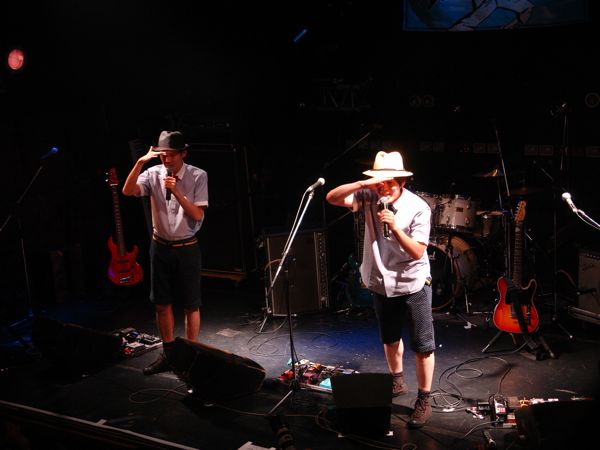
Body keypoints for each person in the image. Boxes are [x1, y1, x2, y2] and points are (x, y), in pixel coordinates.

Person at [325, 150, 435, 428]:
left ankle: (424, 398)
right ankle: (397, 381)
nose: (383, 187)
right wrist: (363, 184)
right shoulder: (369, 195)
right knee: (390, 338)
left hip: (412, 282)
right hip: (381, 281)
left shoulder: (419, 207)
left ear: (402, 182)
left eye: (389, 183)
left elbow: (417, 251)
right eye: (379, 182)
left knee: (422, 346)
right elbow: (332, 198)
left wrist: (395, 228)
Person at [122, 130, 208, 376]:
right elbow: (127, 191)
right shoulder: (152, 173)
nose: (167, 160)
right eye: (162, 155)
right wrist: (140, 162)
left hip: (187, 247)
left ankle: (190, 355)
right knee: (161, 304)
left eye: (171, 155)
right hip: (160, 247)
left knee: (191, 305)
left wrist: (177, 191)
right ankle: (169, 355)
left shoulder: (198, 175)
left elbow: (198, 215)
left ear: (183, 153)